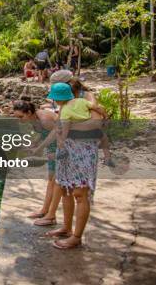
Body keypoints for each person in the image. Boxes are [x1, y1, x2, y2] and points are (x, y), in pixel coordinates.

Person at [45, 82, 106, 249]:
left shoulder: (85, 101)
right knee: (66, 190)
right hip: (67, 154)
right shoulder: (74, 104)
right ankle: (66, 227)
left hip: (83, 153)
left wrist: (67, 128)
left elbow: (96, 124)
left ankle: (76, 237)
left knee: (80, 193)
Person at [12, 100, 59, 225]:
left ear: (29, 112)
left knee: (57, 183)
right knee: (51, 181)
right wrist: (34, 144)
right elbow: (45, 133)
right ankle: (45, 211)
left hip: (65, 146)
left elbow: (57, 132)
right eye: (17, 117)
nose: (19, 120)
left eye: (21, 117)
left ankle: (51, 216)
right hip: (53, 147)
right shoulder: (34, 119)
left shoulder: (44, 118)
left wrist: (40, 148)